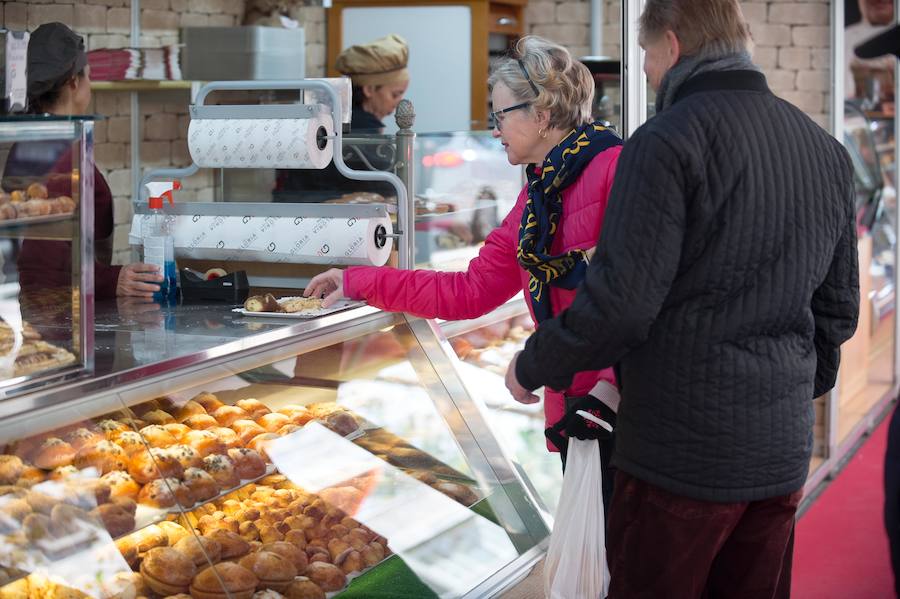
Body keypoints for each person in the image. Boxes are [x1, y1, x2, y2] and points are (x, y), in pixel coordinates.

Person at [503, 1, 859, 597]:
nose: (644, 70)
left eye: (643, 55)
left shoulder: (664, 142)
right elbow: (837, 311)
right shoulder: (825, 150)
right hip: (779, 456)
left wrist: (533, 363)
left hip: (679, 459)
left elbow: (621, 304)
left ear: (670, 45)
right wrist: (786, 391)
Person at [304, 36, 624, 509]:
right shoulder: (538, 197)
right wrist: (356, 280)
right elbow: (470, 292)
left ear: (539, 115)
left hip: (626, 409)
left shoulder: (620, 170)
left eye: (500, 116)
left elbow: (647, 297)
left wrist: (605, 384)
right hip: (576, 409)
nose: (495, 130)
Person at [7, 22, 162, 300]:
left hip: (52, 306)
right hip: (62, 314)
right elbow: (42, 259)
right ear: (74, 82)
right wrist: (111, 280)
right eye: (88, 76)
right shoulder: (60, 157)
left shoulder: (27, 144)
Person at [273, 34, 410, 201]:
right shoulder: (359, 130)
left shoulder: (329, 115)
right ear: (369, 90)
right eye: (395, 94)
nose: (399, 103)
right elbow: (389, 189)